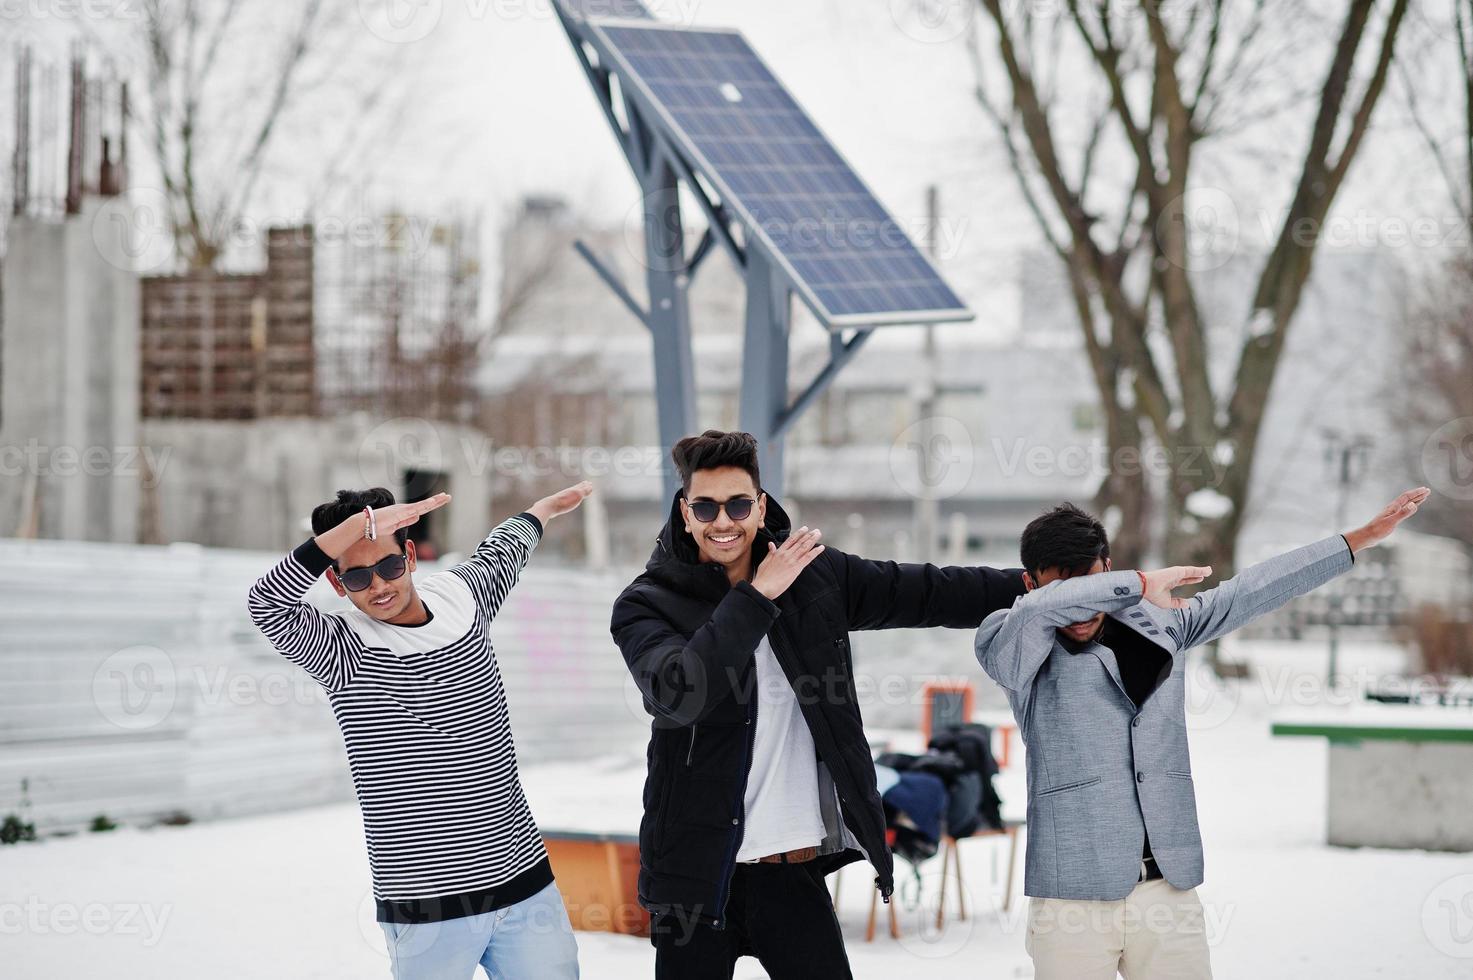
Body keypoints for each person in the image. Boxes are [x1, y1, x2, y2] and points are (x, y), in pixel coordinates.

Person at [609, 430, 1027, 979]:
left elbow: (932, 589)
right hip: (692, 882)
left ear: (760, 507)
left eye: (738, 504)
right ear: (685, 514)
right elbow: (680, 693)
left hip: (791, 872)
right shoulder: (645, 604)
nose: (723, 521)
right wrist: (757, 597)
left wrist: (1046, 585)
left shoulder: (815, 577)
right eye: (706, 507)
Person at [974, 486, 1431, 979]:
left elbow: (1251, 590)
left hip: (1167, 887)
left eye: (1090, 581)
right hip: (1072, 897)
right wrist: (1139, 582)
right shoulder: (1013, 640)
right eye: (1057, 587)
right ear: (1029, 583)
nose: (1082, 610)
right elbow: (1045, 609)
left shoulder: (1162, 624)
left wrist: (1357, 539)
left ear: (1106, 568)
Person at [246, 482, 594, 980]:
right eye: (359, 576)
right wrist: (359, 529)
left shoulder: (463, 600)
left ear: (409, 554)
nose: (380, 586)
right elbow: (266, 604)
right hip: (425, 908)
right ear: (337, 583)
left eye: (387, 566)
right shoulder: (341, 648)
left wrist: (539, 511)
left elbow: (504, 548)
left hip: (523, 887)